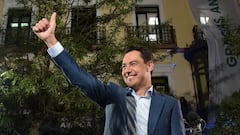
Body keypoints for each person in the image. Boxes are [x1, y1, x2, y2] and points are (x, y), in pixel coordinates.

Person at [32, 12, 185, 135]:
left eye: (133, 64)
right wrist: (51, 41)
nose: (127, 70)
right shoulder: (112, 95)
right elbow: (80, 78)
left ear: (149, 65)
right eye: (123, 66)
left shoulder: (170, 105)